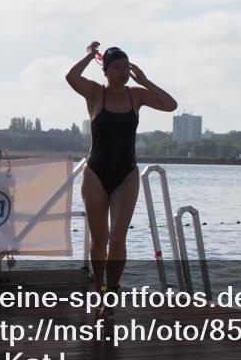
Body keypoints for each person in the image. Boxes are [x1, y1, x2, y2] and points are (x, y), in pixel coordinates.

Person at [66, 42, 177, 305]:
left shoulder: (136, 95)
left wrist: (145, 81)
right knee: (99, 239)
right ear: (105, 71)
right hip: (96, 172)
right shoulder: (96, 93)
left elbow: (171, 105)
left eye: (126, 67)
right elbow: (71, 77)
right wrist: (89, 56)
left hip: (126, 174)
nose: (122, 72)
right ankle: (99, 290)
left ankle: (111, 293)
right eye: (116, 67)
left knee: (117, 239)